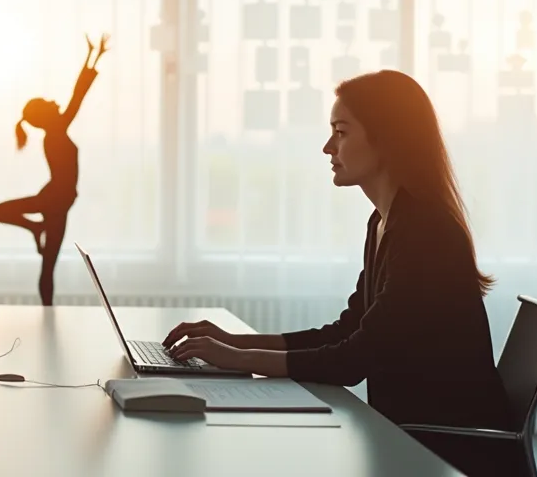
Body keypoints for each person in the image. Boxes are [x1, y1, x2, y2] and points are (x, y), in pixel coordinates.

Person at [162, 70, 518, 477]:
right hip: (407, 437)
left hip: (446, 452)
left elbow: (352, 360)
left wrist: (238, 358)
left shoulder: (424, 233)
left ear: (386, 139)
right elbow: (347, 331)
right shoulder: (385, 222)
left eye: (341, 132)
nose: (328, 147)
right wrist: (230, 341)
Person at [0, 33, 109, 306]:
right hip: (54, 201)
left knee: (48, 264)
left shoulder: (56, 131)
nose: (55, 102)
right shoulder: (55, 133)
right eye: (48, 103)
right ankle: (36, 229)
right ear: (45, 116)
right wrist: (93, 56)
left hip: (57, 202)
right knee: (45, 262)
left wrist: (94, 55)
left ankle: (36, 232)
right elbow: (77, 95)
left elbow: (77, 95)